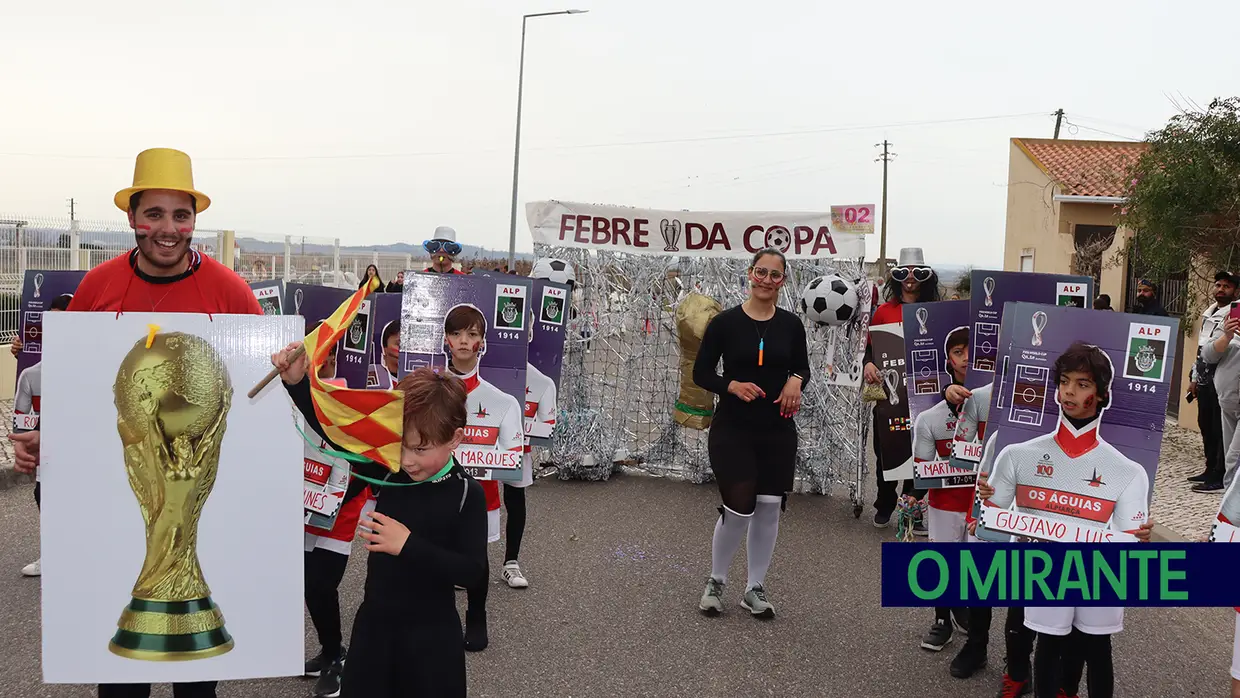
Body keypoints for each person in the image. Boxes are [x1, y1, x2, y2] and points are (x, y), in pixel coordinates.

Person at [8, 148, 262, 698]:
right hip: (111, 512)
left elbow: (261, 394)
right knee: (121, 685)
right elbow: (72, 391)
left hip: (208, 501)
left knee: (196, 685)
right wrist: (39, 440)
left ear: (195, 220)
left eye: (181, 216)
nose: (167, 230)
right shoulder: (98, 289)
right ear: (131, 218)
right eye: (154, 215)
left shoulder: (231, 293)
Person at [273, 348, 488, 698]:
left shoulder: (467, 493)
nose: (406, 459)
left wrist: (408, 545)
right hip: (376, 628)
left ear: (456, 438)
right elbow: (336, 436)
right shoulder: (390, 468)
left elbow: (472, 573)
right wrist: (298, 385)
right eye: (400, 444)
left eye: (420, 449)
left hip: (432, 638)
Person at [978, 342, 1152, 698]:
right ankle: (1020, 677)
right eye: (1065, 381)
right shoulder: (1017, 455)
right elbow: (990, 523)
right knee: (1044, 643)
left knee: (1096, 649)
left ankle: (1067, 689)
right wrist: (985, 502)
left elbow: (1128, 543)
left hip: (1092, 571)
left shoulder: (1128, 471)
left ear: (1102, 395)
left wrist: (1138, 538)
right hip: (1035, 566)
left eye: (1083, 384)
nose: (1070, 391)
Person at [692, 247, 809, 619]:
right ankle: (716, 580)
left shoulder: (791, 325)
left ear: (783, 281)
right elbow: (702, 373)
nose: (767, 280)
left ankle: (754, 587)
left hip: (777, 430)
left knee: (769, 509)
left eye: (775, 275)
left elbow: (802, 366)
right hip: (733, 429)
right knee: (739, 507)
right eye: (761, 272)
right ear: (750, 274)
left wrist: (795, 381)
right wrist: (731, 385)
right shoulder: (725, 323)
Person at [442, 304, 525, 650]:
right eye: (457, 333)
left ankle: (477, 617)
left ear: (482, 343)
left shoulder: (503, 402)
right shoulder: (427, 391)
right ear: (446, 340)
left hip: (481, 497)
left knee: (477, 560)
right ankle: (441, 620)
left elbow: (512, 460)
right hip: (434, 494)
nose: (464, 341)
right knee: (436, 559)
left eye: (472, 334)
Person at [300, 323, 369, 698]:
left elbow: (364, 466)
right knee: (309, 588)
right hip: (300, 509)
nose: (317, 365)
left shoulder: (346, 402)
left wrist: (335, 498)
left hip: (335, 514)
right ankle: (331, 650)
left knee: (320, 584)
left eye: (323, 358)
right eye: (311, 358)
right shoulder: (293, 398)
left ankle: (337, 659)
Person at [863, 248, 939, 530]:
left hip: (927, 397)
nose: (910, 279)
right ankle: (885, 503)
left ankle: (912, 510)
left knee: (922, 454)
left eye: (917, 273)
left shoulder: (936, 312)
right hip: (890, 397)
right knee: (887, 451)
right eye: (903, 272)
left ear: (926, 276)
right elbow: (869, 350)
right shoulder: (883, 312)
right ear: (895, 277)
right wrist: (869, 365)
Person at [910, 326, 973, 656]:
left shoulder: (997, 407)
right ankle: (942, 621)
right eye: (958, 352)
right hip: (946, 502)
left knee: (976, 568)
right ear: (948, 360)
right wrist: (913, 495)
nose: (965, 358)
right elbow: (923, 468)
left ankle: (966, 615)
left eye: (970, 351)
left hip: (984, 506)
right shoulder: (929, 418)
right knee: (943, 562)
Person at [10, 292, 74, 577]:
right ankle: (55, 552)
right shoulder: (32, 374)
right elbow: (21, 420)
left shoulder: (95, 360)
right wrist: (22, 351)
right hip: (48, 442)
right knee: (44, 492)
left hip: (87, 442)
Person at [1189, 271, 1239, 492]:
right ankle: (1211, 469)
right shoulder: (1210, 312)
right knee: (1207, 426)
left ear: (1235, 291)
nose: (1220, 289)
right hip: (1207, 378)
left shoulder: (1233, 313)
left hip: (1226, 380)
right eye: (1218, 285)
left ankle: (1221, 477)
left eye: (1226, 286)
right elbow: (1203, 349)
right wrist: (1193, 376)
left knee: (1223, 436)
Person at [1203, 312, 1240, 490]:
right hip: (1228, 403)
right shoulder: (1230, 319)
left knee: (1234, 457)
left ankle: (1229, 508)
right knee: (1229, 455)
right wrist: (1226, 335)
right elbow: (1208, 355)